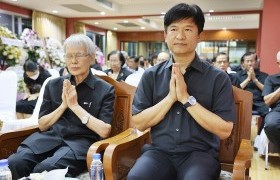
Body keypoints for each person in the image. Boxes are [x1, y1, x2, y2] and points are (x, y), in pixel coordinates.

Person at [127, 3, 235, 180]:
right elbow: (139, 123)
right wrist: (170, 98)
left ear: (199, 35)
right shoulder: (151, 76)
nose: (180, 36)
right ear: (165, 35)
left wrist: (186, 98)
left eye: (188, 29)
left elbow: (224, 130)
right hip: (159, 153)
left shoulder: (218, 78)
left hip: (200, 155)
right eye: (174, 29)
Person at [8, 34, 115, 179]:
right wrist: (63, 106)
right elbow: (42, 125)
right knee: (16, 162)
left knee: (44, 169)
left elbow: (104, 131)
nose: (73, 61)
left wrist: (75, 106)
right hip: (49, 138)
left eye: (78, 55)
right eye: (69, 56)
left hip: (79, 144)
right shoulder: (54, 84)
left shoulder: (105, 89)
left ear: (91, 58)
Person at [236, 52, 269, 133]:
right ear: (243, 63)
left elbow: (267, 90)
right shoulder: (237, 75)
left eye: (252, 61)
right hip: (243, 102)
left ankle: (259, 136)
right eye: (247, 61)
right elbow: (236, 90)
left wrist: (255, 80)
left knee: (269, 113)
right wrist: (248, 79)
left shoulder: (264, 75)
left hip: (260, 102)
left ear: (256, 62)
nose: (250, 63)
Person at [263, 51, 280, 151]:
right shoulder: (271, 79)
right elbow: (267, 101)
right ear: (278, 64)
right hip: (277, 112)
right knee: (271, 125)